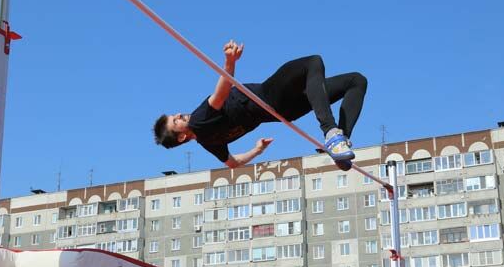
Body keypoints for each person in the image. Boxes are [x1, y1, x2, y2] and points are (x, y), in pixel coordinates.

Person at [153, 42, 368, 171]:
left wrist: (257, 150)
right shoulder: (199, 120)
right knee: (313, 62)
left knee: (356, 81)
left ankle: (340, 144)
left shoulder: (208, 142)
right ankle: (332, 134)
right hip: (271, 95)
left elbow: (233, 163)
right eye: (175, 121)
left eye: (175, 115)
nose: (179, 114)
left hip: (285, 111)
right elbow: (221, 93)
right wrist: (230, 62)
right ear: (181, 137)